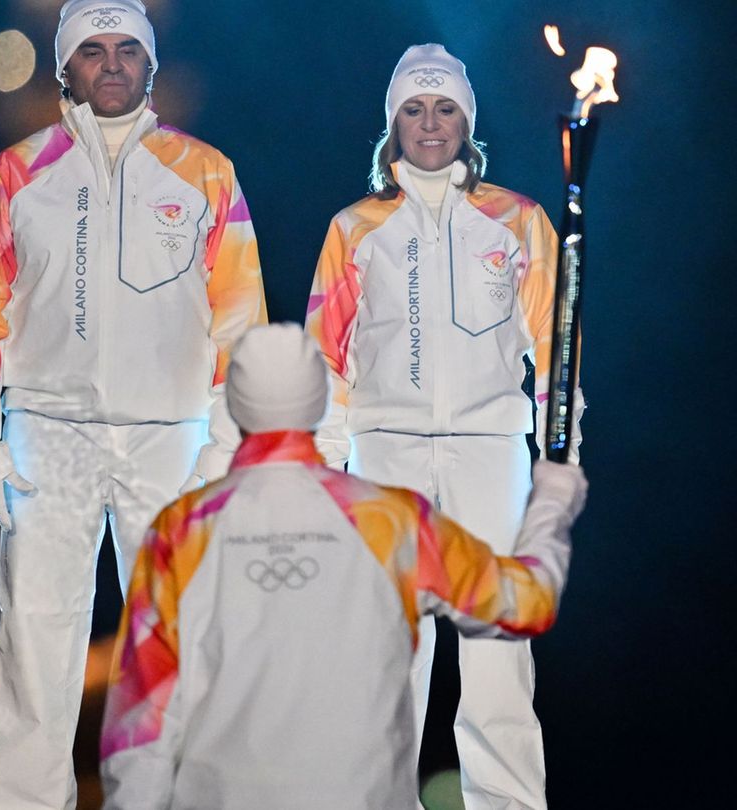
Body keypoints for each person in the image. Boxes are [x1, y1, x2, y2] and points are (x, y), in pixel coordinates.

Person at [0, 1, 266, 806]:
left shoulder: (206, 173)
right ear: (65, 69)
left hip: (170, 438)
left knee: (177, 652)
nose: (114, 64)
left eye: (129, 50)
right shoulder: (13, 175)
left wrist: (221, 451)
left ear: (152, 66)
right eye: (94, 51)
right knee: (35, 653)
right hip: (48, 435)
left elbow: (240, 320)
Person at [98, 324, 588, 810]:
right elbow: (526, 604)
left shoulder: (181, 531)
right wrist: (553, 502)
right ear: (320, 402)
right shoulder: (392, 521)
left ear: (236, 405)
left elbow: (142, 723)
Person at [303, 44, 588, 808]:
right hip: (384, 458)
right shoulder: (355, 229)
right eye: (414, 109)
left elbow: (554, 346)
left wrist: (559, 451)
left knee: (498, 658)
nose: (431, 124)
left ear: (468, 120)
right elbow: (325, 362)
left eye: (446, 108)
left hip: (491, 456)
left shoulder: (519, 220)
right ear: (393, 124)